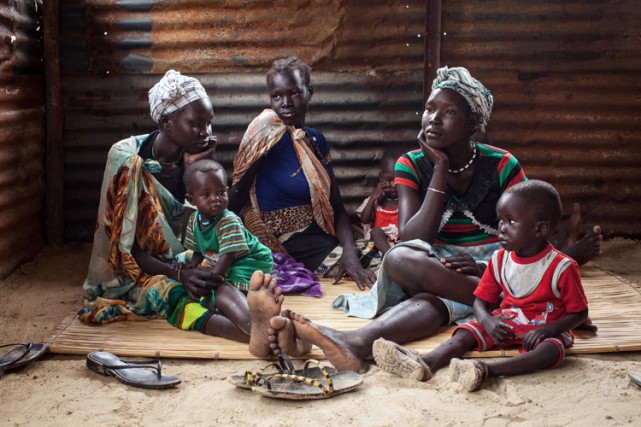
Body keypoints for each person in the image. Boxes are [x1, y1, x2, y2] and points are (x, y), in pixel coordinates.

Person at [254, 66, 601, 373]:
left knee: (430, 304)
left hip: (500, 265)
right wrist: (439, 169)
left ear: (472, 123)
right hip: (437, 263)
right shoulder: (412, 164)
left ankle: (357, 342)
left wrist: (490, 270)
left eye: (447, 112)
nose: (433, 119)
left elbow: (526, 235)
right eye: (429, 109)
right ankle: (513, 304)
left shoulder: (502, 164)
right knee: (402, 258)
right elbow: (411, 238)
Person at [80, 70, 256, 344]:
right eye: (197, 124)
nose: (206, 132)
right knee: (172, 294)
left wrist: (193, 169)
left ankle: (258, 328)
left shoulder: (197, 156)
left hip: (187, 259)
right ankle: (259, 335)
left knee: (224, 275)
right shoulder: (127, 159)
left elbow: (205, 228)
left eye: (209, 123)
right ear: (166, 121)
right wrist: (179, 273)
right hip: (140, 270)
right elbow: (123, 248)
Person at [372, 180, 589, 392]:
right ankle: (426, 362)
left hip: (544, 330)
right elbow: (481, 301)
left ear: (540, 229)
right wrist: (487, 320)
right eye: (500, 221)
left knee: (550, 351)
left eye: (511, 222)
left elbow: (579, 313)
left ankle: (485, 370)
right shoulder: (499, 260)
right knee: (466, 333)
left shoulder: (562, 267)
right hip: (505, 325)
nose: (501, 229)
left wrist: (548, 330)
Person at [229, 56, 376, 290]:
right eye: (277, 95)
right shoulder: (263, 138)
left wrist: (350, 252)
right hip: (288, 244)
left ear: (309, 92)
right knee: (382, 269)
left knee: (386, 256)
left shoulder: (316, 140)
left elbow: (337, 208)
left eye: (295, 93)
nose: (285, 103)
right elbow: (234, 201)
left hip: (321, 237)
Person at [166, 159, 273, 344]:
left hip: (250, 259)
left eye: (221, 192)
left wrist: (211, 278)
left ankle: (249, 302)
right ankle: (248, 319)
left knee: (223, 283)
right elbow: (198, 252)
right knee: (201, 283)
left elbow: (227, 259)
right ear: (192, 199)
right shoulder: (194, 220)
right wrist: (190, 268)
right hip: (223, 258)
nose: (215, 199)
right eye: (206, 195)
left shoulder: (228, 221)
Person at [356, 151, 400, 256]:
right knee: (375, 232)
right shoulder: (374, 201)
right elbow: (364, 219)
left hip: (399, 242)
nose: (393, 185)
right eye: (389, 180)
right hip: (377, 243)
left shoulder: (406, 201)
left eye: (398, 180)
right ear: (381, 177)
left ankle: (390, 257)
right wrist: (372, 198)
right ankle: (388, 256)